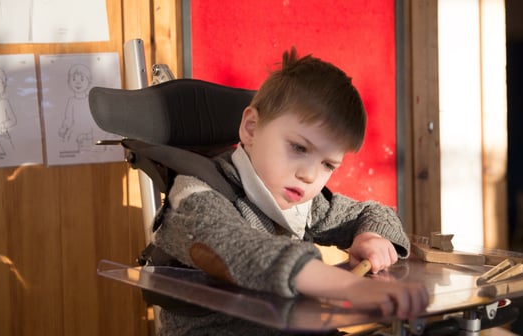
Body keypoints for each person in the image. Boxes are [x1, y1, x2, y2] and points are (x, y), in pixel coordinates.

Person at [152, 48, 429, 335]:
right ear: (251, 128)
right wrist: (349, 286)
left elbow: (373, 212)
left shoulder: (304, 203)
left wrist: (370, 235)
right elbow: (243, 250)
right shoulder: (191, 198)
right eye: (298, 148)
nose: (309, 175)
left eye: (327, 164)